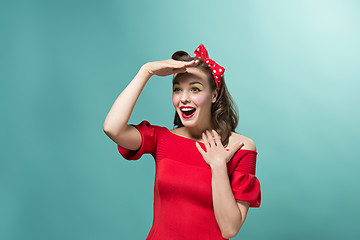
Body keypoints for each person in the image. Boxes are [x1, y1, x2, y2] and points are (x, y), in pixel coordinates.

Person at [103, 44, 261, 240]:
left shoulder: (240, 147)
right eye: (177, 89)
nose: (184, 98)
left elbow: (230, 229)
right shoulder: (161, 139)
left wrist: (219, 165)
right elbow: (112, 128)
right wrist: (146, 71)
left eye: (195, 89)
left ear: (214, 95)